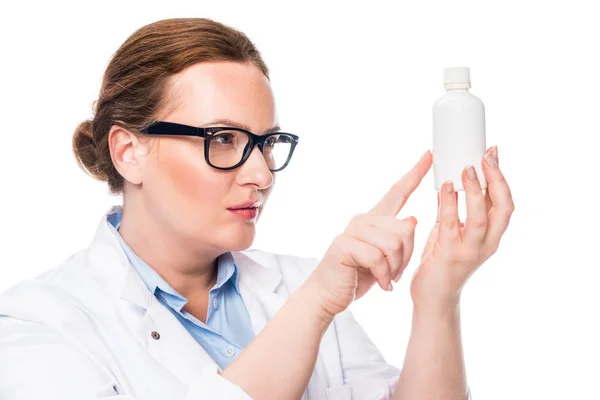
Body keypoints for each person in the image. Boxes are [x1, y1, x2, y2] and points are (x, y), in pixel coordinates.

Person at [0, 17, 514, 400]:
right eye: (223, 139)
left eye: (267, 143)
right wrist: (312, 307)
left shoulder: (299, 284)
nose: (263, 175)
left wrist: (439, 296)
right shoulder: (40, 322)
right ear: (129, 152)